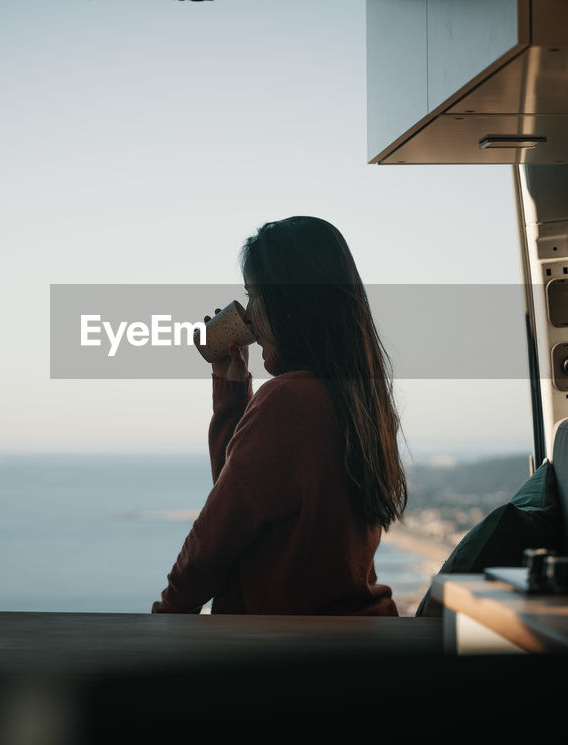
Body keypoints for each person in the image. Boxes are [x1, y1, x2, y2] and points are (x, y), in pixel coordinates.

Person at [152, 216, 406, 615]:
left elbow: (217, 536)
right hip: (356, 636)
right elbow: (245, 495)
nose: (249, 316)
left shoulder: (287, 401)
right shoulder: (363, 398)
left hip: (280, 652)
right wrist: (231, 390)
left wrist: (165, 618)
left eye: (255, 295)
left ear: (289, 303)